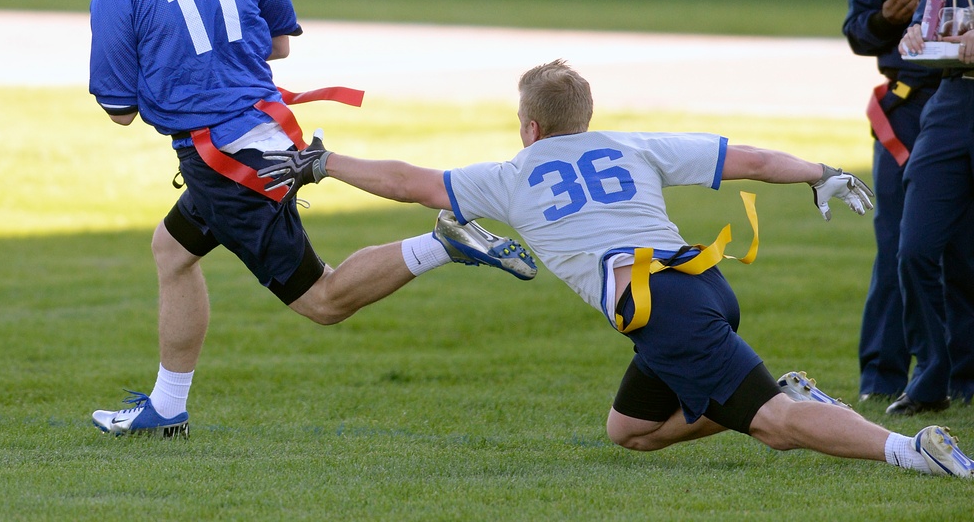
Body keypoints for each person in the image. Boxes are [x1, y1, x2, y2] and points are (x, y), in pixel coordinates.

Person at [257, 59, 973, 478]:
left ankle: (911, 451)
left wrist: (326, 162)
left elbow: (409, 180)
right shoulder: (633, 147)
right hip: (698, 288)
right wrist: (819, 172)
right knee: (629, 432)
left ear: (528, 126)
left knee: (774, 425)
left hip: (664, 310)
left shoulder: (513, 175)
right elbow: (750, 160)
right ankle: (790, 392)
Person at [88, 0, 537, 439]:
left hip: (227, 162)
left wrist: (174, 74)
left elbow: (119, 110)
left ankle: (443, 243)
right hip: (263, 132)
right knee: (172, 252)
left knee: (322, 301)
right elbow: (278, 44)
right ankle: (168, 407)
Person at [842, 0, 974, 410]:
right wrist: (899, 21)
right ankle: (888, 373)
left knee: (964, 250)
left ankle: (964, 375)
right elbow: (865, 33)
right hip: (918, 105)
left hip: (954, 98)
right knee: (903, 243)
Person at [895, 0, 974, 416]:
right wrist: (917, 32)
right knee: (917, 247)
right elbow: (934, 24)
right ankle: (932, 375)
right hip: (951, 104)